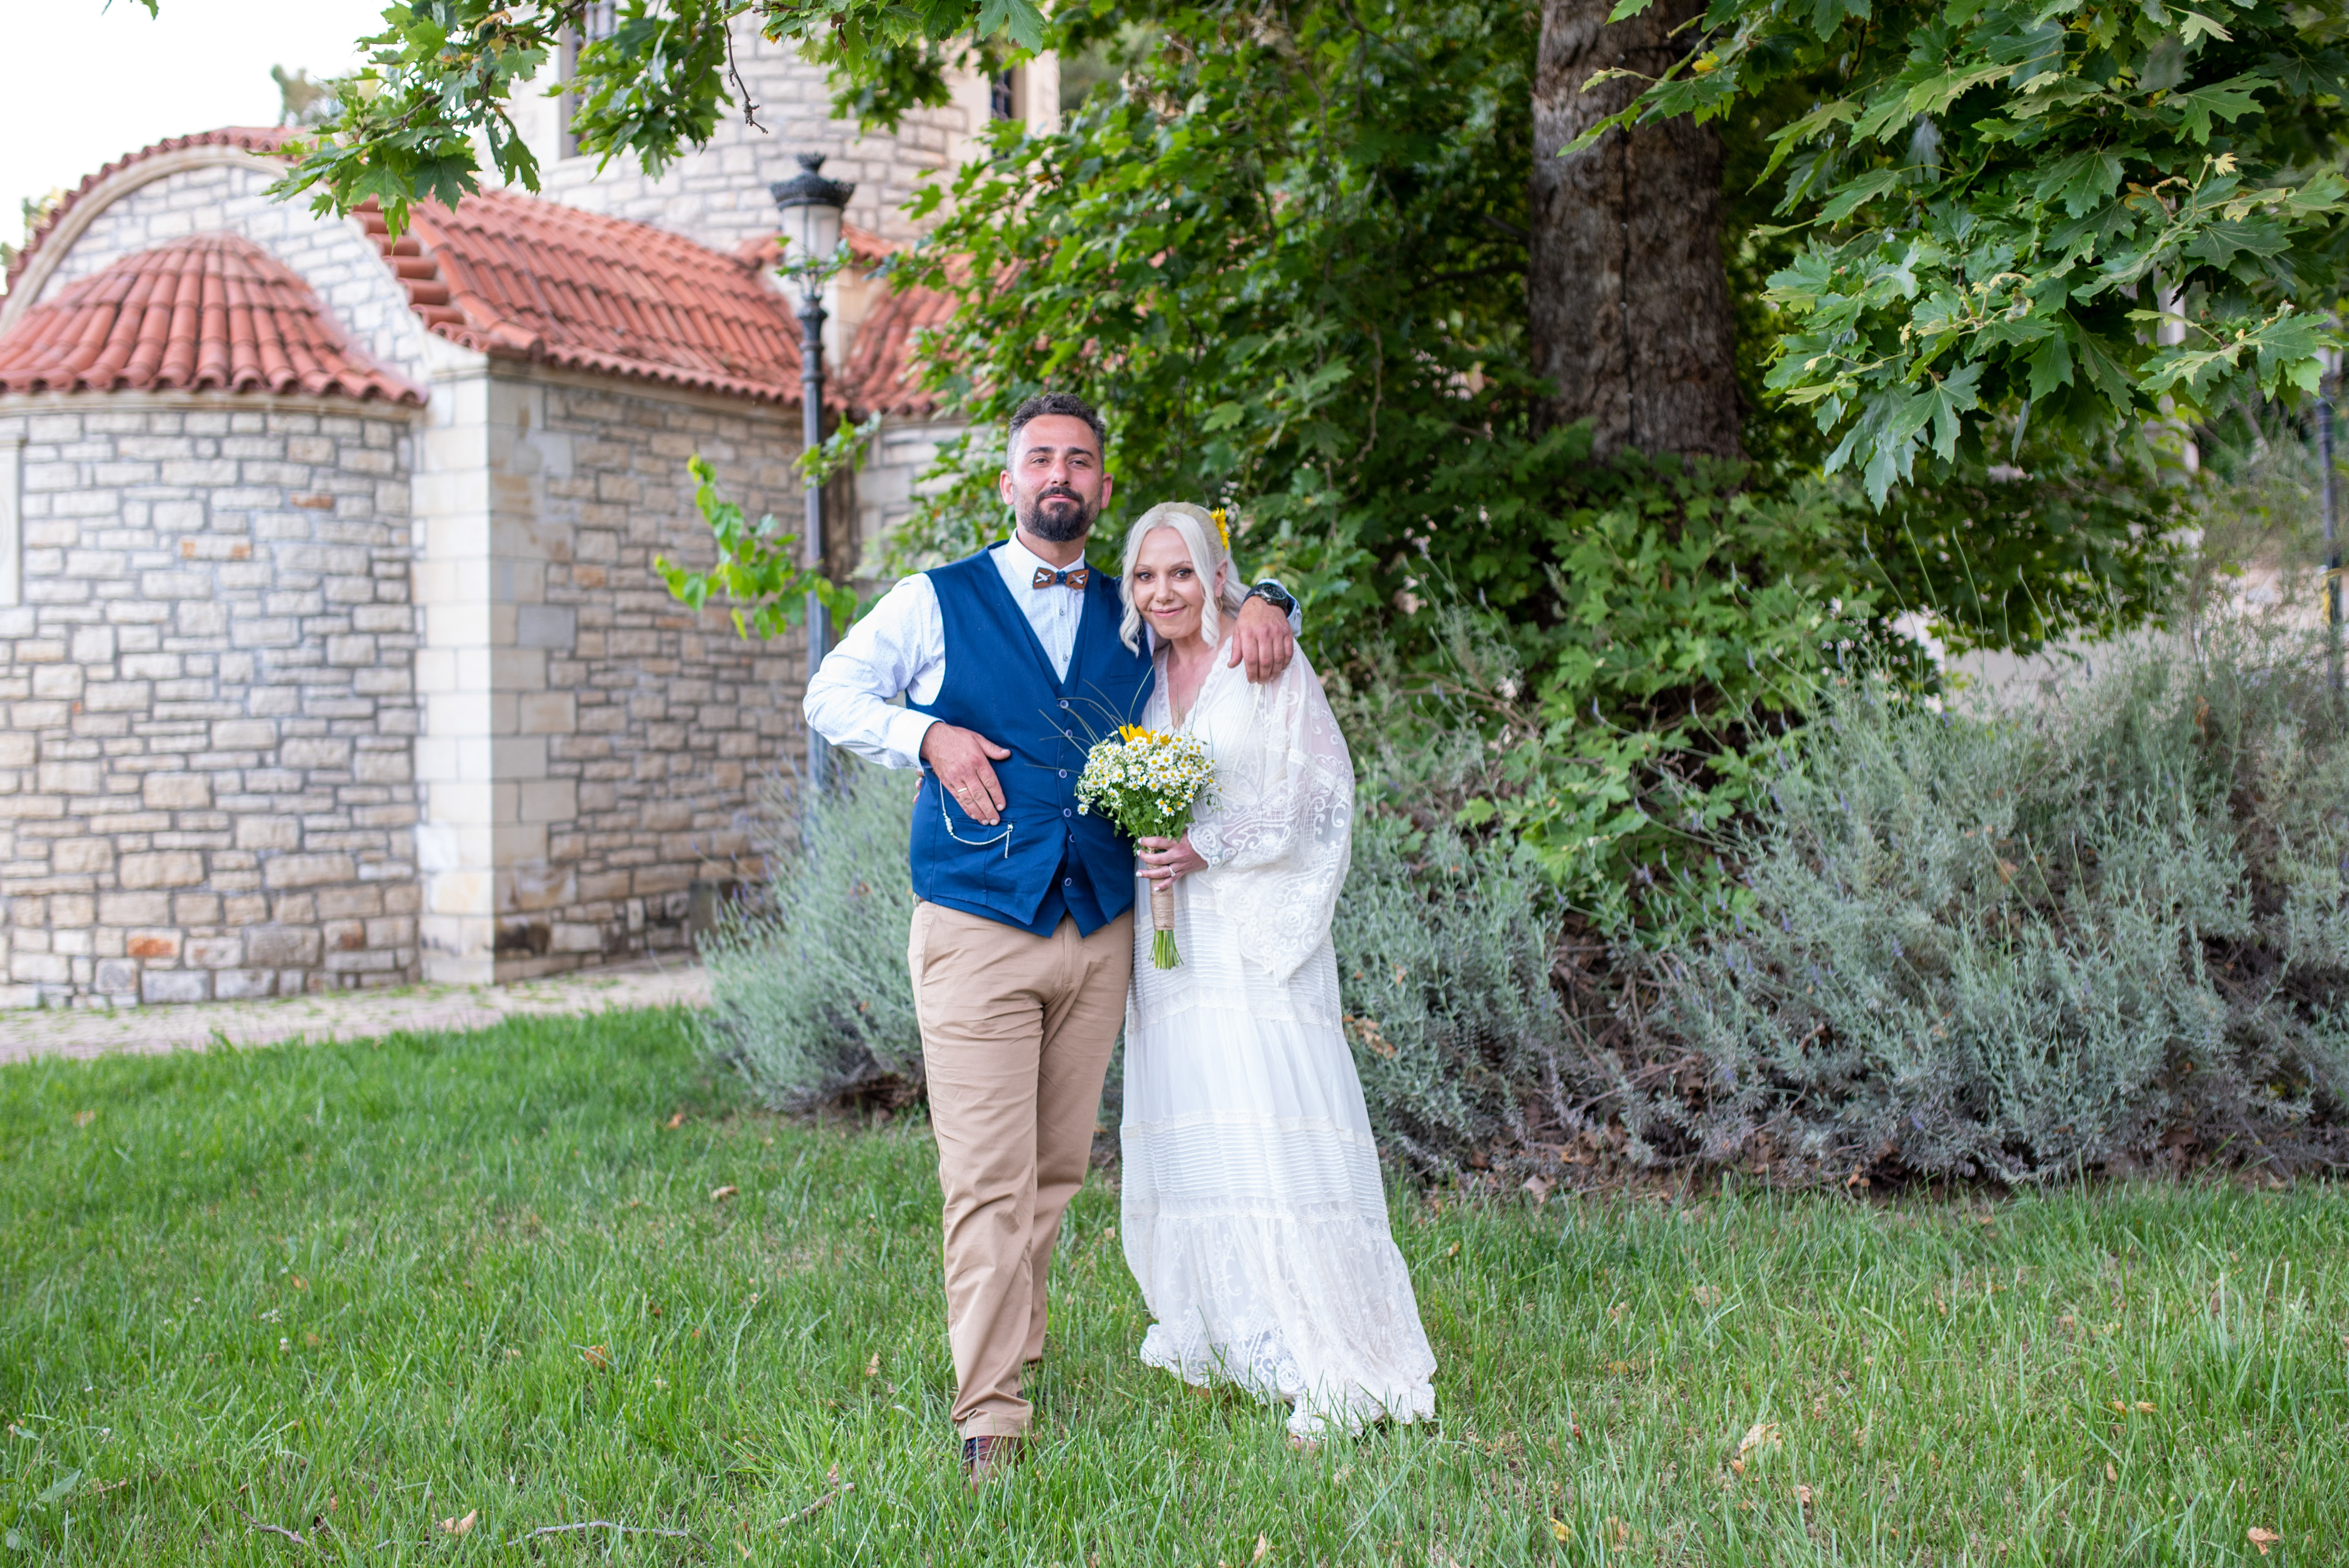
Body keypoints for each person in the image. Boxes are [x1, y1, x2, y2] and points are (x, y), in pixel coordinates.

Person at [801, 394, 1303, 1482]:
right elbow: (830, 694)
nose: (1059, 475)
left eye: (1078, 460)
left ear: (1103, 488)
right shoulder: (935, 600)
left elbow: (1217, 600)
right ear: (1009, 482)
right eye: (1039, 458)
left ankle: (1016, 1352)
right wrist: (927, 736)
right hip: (977, 925)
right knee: (987, 1177)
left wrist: (1273, 597)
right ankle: (990, 1411)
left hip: (1101, 927)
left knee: (1055, 1171)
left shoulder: (1134, 609)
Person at [1119, 502, 1436, 1444]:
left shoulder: (1261, 657)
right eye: (1145, 575)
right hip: (1170, 946)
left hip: (1251, 931)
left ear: (1217, 575)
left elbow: (1316, 794)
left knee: (1272, 1125)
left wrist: (1204, 846)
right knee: (1199, 1129)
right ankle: (1233, 1332)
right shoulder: (1138, 678)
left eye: (1182, 571)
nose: (1163, 592)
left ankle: (1333, 1357)